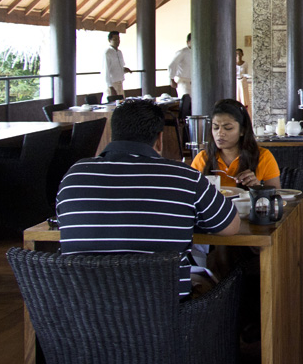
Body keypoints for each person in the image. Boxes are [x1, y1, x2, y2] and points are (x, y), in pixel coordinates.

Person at [56, 99, 239, 298]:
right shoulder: (183, 177)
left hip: (82, 312)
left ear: (113, 133)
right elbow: (231, 227)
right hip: (163, 314)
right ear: (159, 139)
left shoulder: (74, 176)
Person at [191, 99, 281, 189]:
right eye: (216, 127)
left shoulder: (263, 157)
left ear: (242, 130)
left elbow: (276, 197)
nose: (220, 133)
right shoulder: (202, 158)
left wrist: (257, 188)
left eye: (228, 128)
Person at [103, 31, 131, 98]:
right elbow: (105, 71)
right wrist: (110, 87)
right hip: (112, 84)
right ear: (109, 40)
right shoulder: (107, 52)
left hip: (120, 83)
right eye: (115, 39)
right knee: (111, 105)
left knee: (121, 105)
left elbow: (118, 67)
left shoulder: (119, 52)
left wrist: (124, 70)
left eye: (118, 39)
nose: (117, 41)